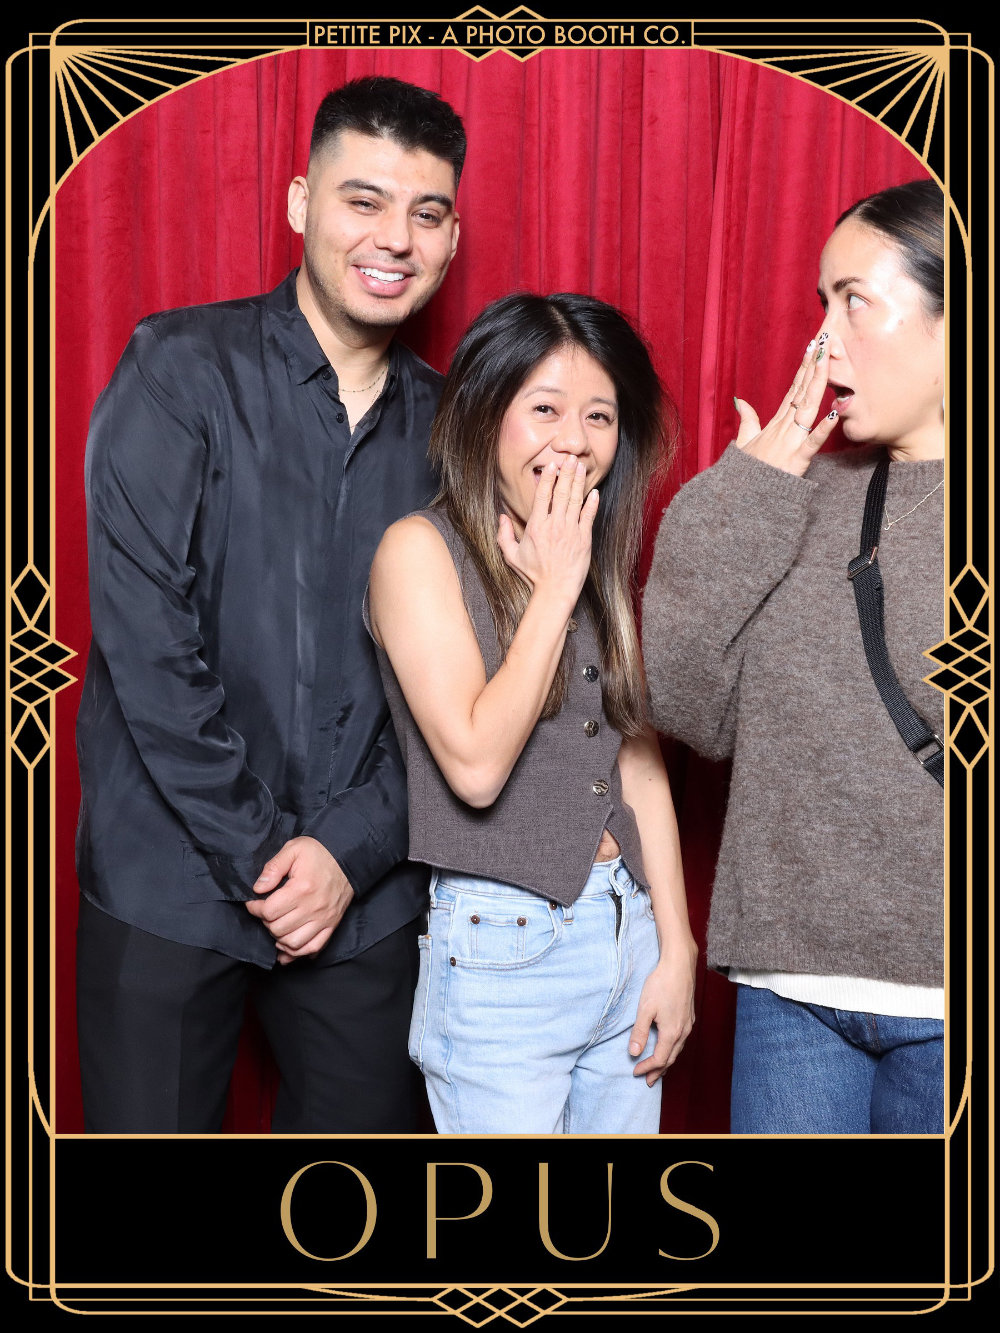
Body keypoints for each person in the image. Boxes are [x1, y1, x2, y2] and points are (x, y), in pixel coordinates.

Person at [75, 76, 465, 1133]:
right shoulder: (176, 368)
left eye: (427, 213)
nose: (395, 238)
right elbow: (148, 648)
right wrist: (265, 855)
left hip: (363, 896)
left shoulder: (457, 435)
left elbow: (462, 688)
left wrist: (345, 854)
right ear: (300, 203)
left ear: (452, 236)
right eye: (363, 200)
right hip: (166, 874)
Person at [641, 179, 945, 1134]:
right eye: (823, 303)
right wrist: (744, 492)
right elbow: (686, 703)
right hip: (792, 985)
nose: (824, 341)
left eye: (855, 301)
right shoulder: (797, 495)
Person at [367, 293, 698, 1134]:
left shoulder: (590, 553)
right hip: (503, 951)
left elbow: (635, 760)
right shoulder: (419, 551)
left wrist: (676, 947)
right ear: (485, 415)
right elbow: (476, 767)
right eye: (545, 409)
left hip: (625, 929)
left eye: (599, 416)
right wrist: (553, 592)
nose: (575, 441)